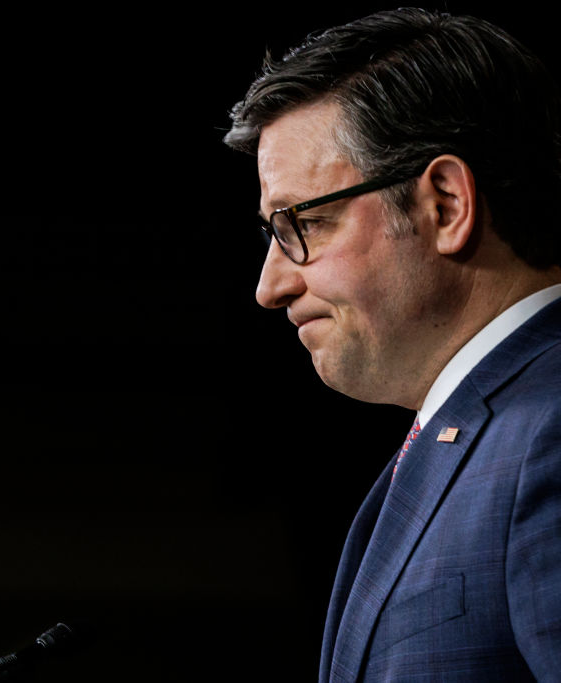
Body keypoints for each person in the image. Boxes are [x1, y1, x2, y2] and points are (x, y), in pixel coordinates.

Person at [223, 8, 561, 681]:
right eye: (271, 232)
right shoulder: (476, 430)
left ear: (445, 205)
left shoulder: (549, 433)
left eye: (306, 223)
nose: (270, 285)